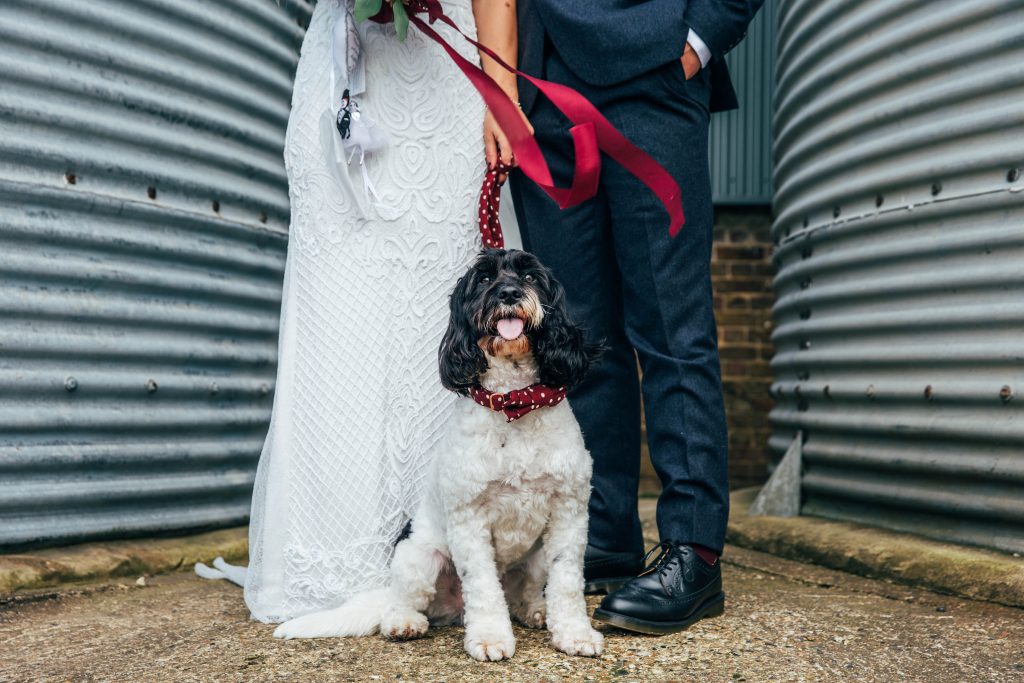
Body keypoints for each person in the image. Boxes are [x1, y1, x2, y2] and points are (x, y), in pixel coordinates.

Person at [196, 0, 524, 623]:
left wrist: (500, 90)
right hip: (346, 68)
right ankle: (337, 556)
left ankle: (451, 560)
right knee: (341, 299)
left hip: (445, 70)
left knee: (442, 290)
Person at [510, 0, 764, 634]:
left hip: (651, 80)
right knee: (578, 336)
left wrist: (700, 39)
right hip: (540, 93)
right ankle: (606, 531)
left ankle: (695, 549)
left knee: (671, 326)